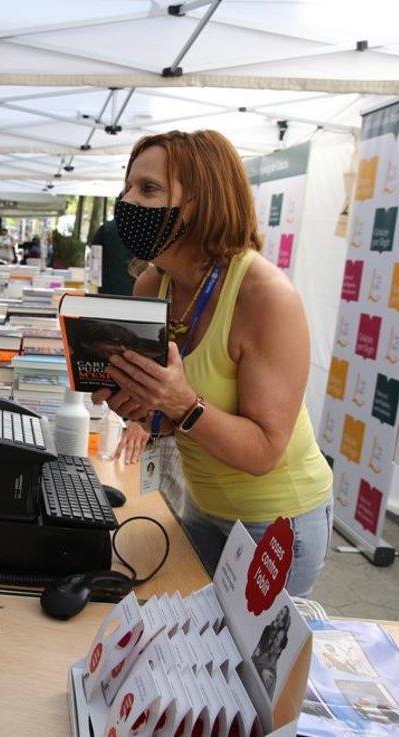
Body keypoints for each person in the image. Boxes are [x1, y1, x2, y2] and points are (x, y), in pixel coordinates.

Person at [93, 130, 332, 597]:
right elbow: (168, 418)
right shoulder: (151, 286)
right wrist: (140, 404)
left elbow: (265, 450)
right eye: (127, 187)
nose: (127, 202)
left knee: (248, 667)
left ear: (202, 202)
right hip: (204, 507)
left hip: (277, 522)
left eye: (148, 189)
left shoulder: (264, 296)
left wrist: (181, 404)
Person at [92, 218, 136, 296]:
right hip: (134, 293)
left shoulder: (105, 229)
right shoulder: (144, 231)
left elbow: (94, 267)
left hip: (107, 292)